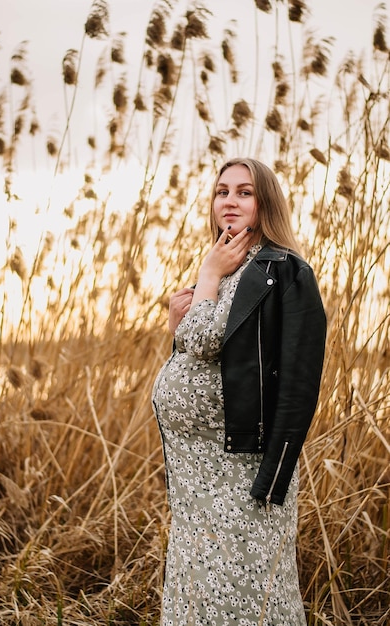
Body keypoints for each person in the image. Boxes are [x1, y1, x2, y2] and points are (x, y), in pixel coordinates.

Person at [152, 157, 327, 626]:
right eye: (222, 191)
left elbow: (298, 387)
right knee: (197, 602)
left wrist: (271, 483)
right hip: (196, 480)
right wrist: (177, 327)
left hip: (241, 476)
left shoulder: (285, 272)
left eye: (244, 192)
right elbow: (199, 356)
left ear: (265, 202)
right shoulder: (224, 267)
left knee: (248, 604)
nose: (230, 200)